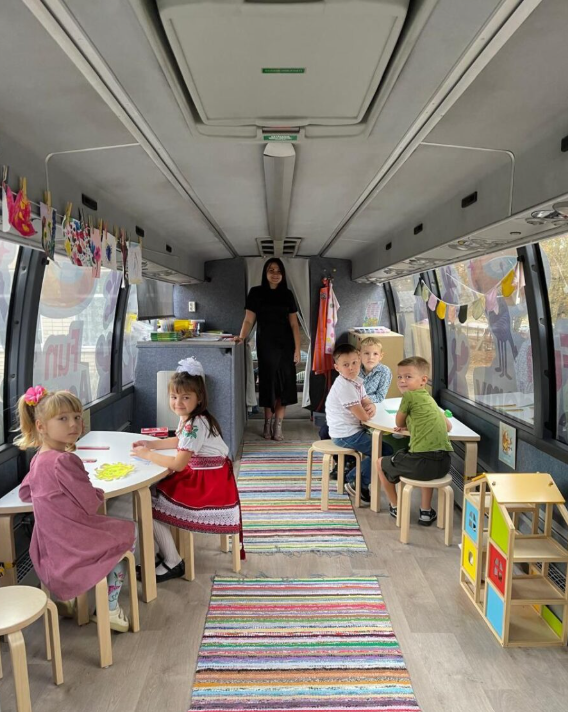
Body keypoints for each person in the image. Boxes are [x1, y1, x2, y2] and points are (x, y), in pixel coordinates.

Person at [16, 386, 135, 632]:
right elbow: (91, 504)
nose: (74, 424)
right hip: (73, 542)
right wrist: (97, 491)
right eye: (63, 419)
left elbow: (25, 493)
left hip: (48, 545)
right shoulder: (64, 460)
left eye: (77, 417)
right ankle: (110, 608)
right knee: (128, 535)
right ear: (41, 426)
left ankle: (68, 599)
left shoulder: (38, 459)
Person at [131, 357, 244, 582]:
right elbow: (179, 441)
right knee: (154, 494)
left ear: (198, 397)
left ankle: (173, 561)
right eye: (174, 397)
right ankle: (164, 551)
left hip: (209, 484)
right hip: (212, 476)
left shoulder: (195, 424)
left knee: (147, 506)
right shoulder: (191, 419)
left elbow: (178, 463)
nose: (178, 402)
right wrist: (151, 444)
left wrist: (146, 454)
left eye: (185, 397)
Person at [377, 356, 453, 525]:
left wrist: (405, 424)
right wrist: (414, 425)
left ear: (423, 380)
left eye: (408, 377)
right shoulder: (430, 399)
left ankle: (396, 507)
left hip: (421, 464)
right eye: (399, 377)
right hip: (444, 464)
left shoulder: (409, 397)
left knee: (380, 462)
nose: (402, 381)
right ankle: (425, 511)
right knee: (423, 462)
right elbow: (448, 426)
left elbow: (398, 423)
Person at [235, 258, 301, 441]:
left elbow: (294, 324)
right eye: (271, 270)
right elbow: (249, 320)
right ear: (265, 273)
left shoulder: (287, 294)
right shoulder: (256, 293)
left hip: (286, 346)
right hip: (266, 346)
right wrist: (241, 337)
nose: (275, 274)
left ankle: (278, 426)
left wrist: (297, 349)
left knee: (284, 387)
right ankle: (267, 423)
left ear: (283, 274)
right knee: (268, 384)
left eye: (279, 270)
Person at [325, 344, 376, 506]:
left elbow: (366, 400)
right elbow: (363, 417)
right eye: (346, 365)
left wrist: (371, 406)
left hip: (350, 431)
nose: (351, 368)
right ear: (337, 367)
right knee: (383, 451)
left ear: (359, 360)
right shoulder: (344, 387)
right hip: (346, 434)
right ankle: (356, 481)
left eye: (354, 363)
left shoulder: (355, 381)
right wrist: (367, 411)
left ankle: (356, 477)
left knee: (380, 447)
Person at [359, 337, 392, 403]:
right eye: (366, 353)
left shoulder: (385, 372)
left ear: (381, 356)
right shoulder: (355, 369)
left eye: (375, 354)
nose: (371, 357)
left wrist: (359, 398)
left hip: (374, 405)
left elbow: (380, 397)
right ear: (360, 355)